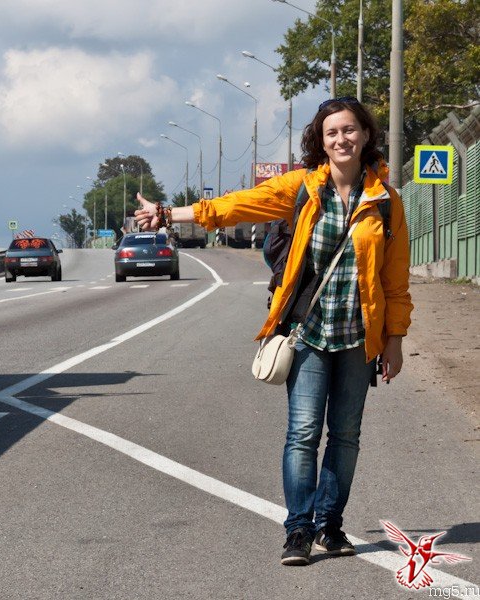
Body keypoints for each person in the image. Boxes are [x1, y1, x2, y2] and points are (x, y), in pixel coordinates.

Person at [135, 97, 413, 566]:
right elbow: (237, 205)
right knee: (303, 433)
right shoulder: (303, 189)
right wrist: (169, 214)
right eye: (331, 133)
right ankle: (299, 530)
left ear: (365, 135)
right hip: (305, 334)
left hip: (359, 339)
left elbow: (395, 280)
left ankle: (331, 524)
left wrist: (395, 340)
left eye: (349, 130)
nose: (341, 139)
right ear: (320, 142)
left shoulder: (386, 202)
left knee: (346, 435)